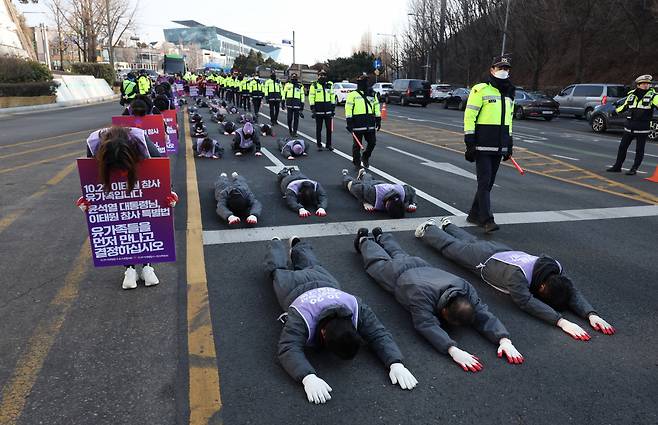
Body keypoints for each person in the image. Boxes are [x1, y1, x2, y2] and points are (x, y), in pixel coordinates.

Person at [264, 236, 418, 404]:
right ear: (323, 332)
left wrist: (395, 362)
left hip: (324, 282)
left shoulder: (354, 306)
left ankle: (287, 244)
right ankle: (281, 244)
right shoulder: (303, 316)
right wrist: (307, 377)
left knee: (312, 265)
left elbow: (377, 334)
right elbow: (288, 348)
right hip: (292, 287)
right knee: (278, 270)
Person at [414, 217, 616, 340]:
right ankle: (428, 229)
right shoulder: (517, 277)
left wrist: (590, 314)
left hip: (502, 251)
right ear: (543, 285)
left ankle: (448, 226)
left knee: (471, 242)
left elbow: (571, 289)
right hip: (485, 259)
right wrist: (560, 321)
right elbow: (526, 302)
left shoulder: (552, 265)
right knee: (453, 249)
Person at [354, 228, 523, 371]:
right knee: (376, 262)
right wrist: (452, 349)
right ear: (442, 311)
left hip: (419, 265)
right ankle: (365, 240)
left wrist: (504, 340)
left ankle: (382, 236)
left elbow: (481, 312)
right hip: (395, 274)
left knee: (398, 253)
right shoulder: (421, 296)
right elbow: (426, 324)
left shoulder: (463, 287)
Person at [76, 126, 178, 289]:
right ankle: (129, 268)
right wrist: (89, 200)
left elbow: (160, 173)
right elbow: (91, 179)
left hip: (139, 179)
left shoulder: (142, 140)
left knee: (144, 219)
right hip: (111, 187)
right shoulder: (93, 143)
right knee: (119, 222)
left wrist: (169, 193)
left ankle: (147, 265)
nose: (121, 173)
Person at [463, 55, 515, 233]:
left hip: (499, 146)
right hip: (482, 145)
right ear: (492, 69)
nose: (503, 71)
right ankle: (487, 220)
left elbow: (509, 120)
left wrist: (509, 144)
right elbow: (470, 116)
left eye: (506, 68)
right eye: (500, 67)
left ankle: (473, 214)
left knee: (488, 183)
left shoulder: (509, 92)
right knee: (484, 182)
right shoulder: (481, 89)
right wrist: (469, 142)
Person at [607, 75, 658, 175]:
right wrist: (614, 112)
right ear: (638, 85)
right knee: (622, 147)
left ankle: (634, 169)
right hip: (629, 126)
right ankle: (617, 166)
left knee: (639, 150)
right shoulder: (631, 95)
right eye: (643, 83)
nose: (646, 85)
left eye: (648, 84)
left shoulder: (654, 96)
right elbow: (624, 107)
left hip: (642, 127)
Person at [341, 168, 416, 217]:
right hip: (373, 188)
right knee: (351, 184)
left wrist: (412, 203)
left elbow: (412, 190)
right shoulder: (373, 195)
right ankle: (345, 174)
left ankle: (363, 173)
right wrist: (364, 202)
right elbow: (356, 190)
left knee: (367, 179)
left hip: (382, 184)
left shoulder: (404, 194)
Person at [345, 73, 381, 169]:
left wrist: (378, 119)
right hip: (357, 122)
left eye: (366, 80)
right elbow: (348, 108)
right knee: (357, 145)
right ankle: (356, 162)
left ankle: (365, 156)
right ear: (358, 81)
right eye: (363, 80)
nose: (365, 82)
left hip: (370, 122)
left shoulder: (372, 93)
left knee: (372, 142)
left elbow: (376, 106)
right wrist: (349, 121)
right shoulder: (352, 94)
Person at [309, 70, 336, 151]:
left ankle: (329, 144)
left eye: (324, 75)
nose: (322, 77)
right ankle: (319, 145)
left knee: (329, 129)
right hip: (318, 110)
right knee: (319, 129)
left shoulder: (329, 85)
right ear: (318, 76)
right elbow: (311, 97)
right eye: (321, 75)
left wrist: (333, 108)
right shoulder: (314, 85)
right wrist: (313, 108)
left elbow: (332, 96)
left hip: (328, 110)